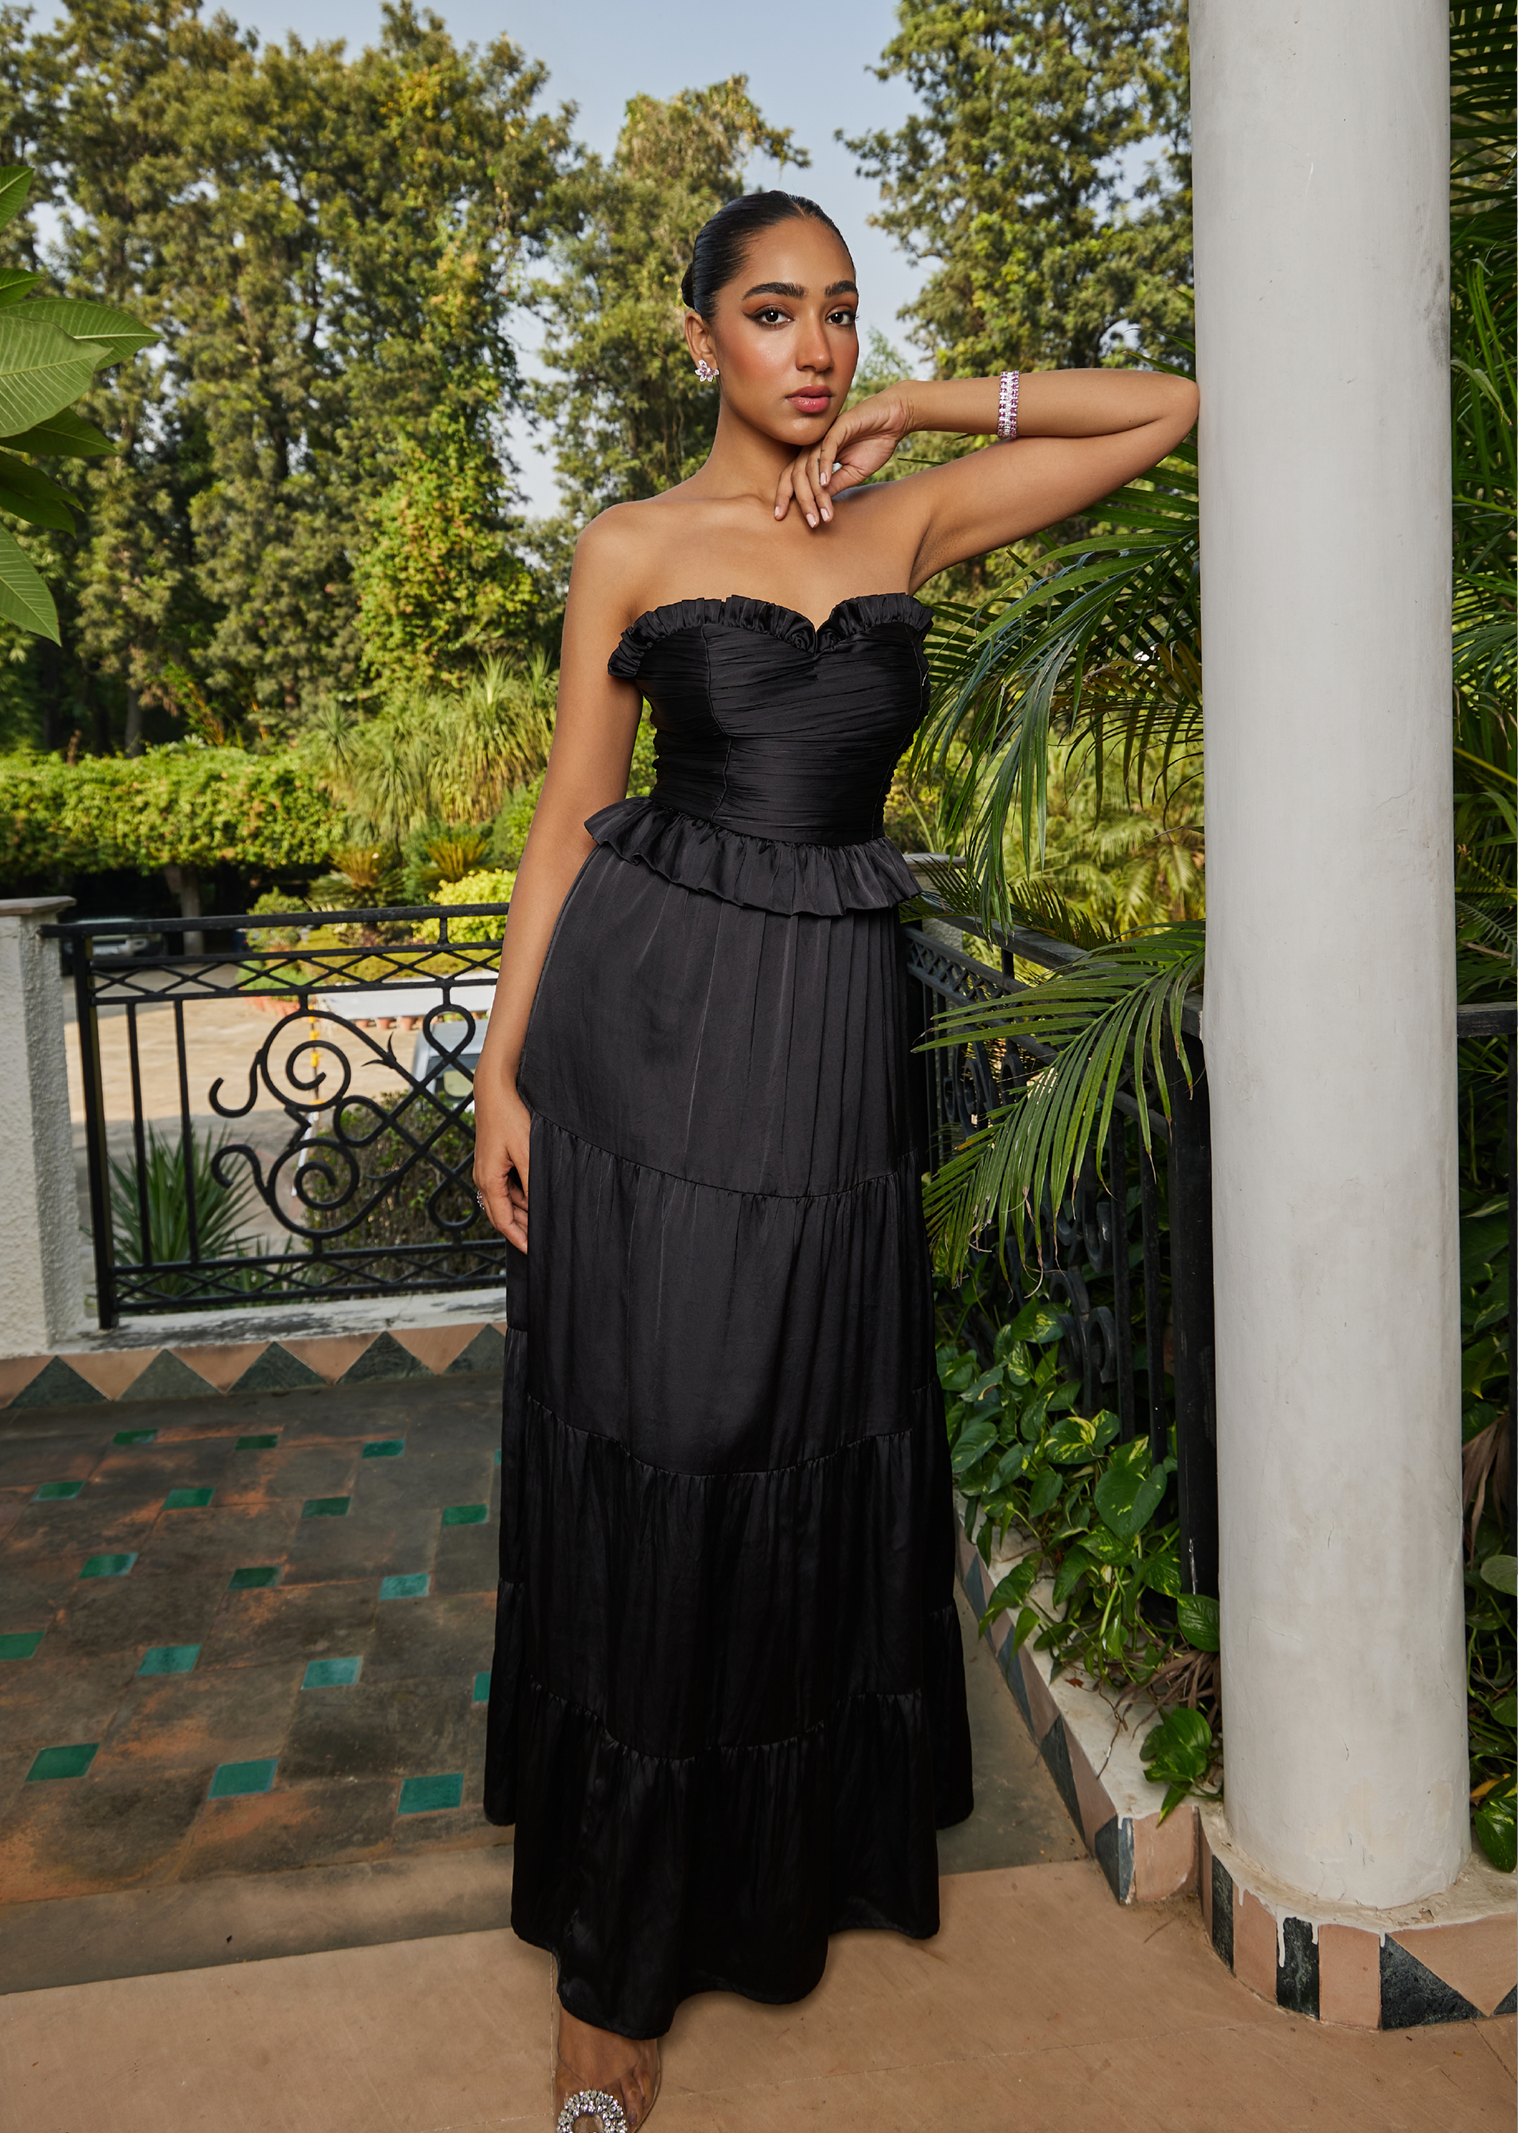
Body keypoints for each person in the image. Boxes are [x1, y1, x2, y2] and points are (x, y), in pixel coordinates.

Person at [474, 189, 1198, 2132]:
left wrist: (919, 408)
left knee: (795, 1428)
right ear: (698, 334)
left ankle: (773, 1861)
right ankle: (612, 1985)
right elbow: (567, 816)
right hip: (647, 1037)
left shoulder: (906, 520)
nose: (813, 348)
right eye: (774, 312)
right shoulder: (630, 544)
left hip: (823, 1051)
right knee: (668, 1443)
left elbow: (1166, 406)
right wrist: (500, 1073)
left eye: (841, 315)